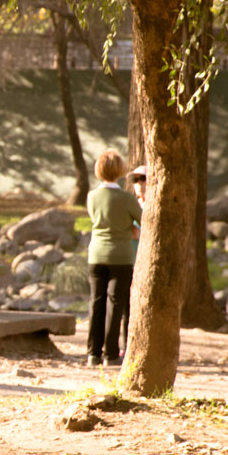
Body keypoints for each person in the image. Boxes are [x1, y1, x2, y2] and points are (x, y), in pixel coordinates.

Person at [86, 149, 142, 367]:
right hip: (121, 255)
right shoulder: (126, 198)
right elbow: (142, 219)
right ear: (120, 170)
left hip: (96, 253)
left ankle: (93, 353)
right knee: (115, 303)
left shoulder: (92, 197)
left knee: (96, 302)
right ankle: (111, 354)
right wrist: (129, 230)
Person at [119, 165, 148, 356]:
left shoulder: (153, 205)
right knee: (125, 306)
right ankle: (125, 345)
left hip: (145, 262)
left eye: (142, 178)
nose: (139, 183)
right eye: (135, 180)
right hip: (128, 259)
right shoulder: (132, 205)